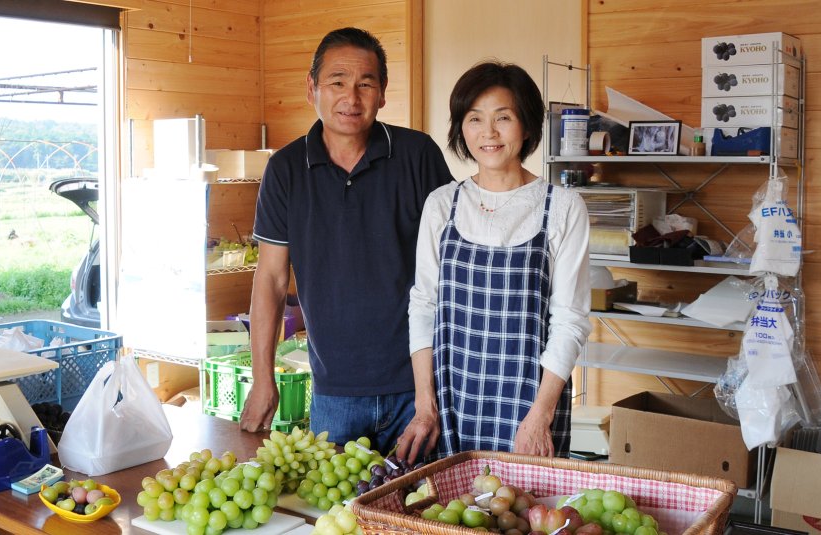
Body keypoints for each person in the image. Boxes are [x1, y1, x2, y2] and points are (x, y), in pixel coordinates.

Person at [240, 27, 453, 455]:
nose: (351, 98)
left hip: (419, 388)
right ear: (312, 88)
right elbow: (271, 281)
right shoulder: (285, 169)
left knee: (420, 515)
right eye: (337, 82)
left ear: (383, 93)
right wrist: (264, 378)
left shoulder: (418, 156)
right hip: (334, 392)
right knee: (333, 515)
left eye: (365, 84)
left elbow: (455, 264)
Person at [396, 61, 592, 463]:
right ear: (460, 128)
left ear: (527, 125)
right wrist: (424, 404)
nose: (488, 133)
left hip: (531, 405)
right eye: (475, 119)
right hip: (453, 400)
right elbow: (424, 306)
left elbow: (570, 320)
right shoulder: (442, 204)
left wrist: (540, 416)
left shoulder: (562, 207)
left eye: (503, 117)